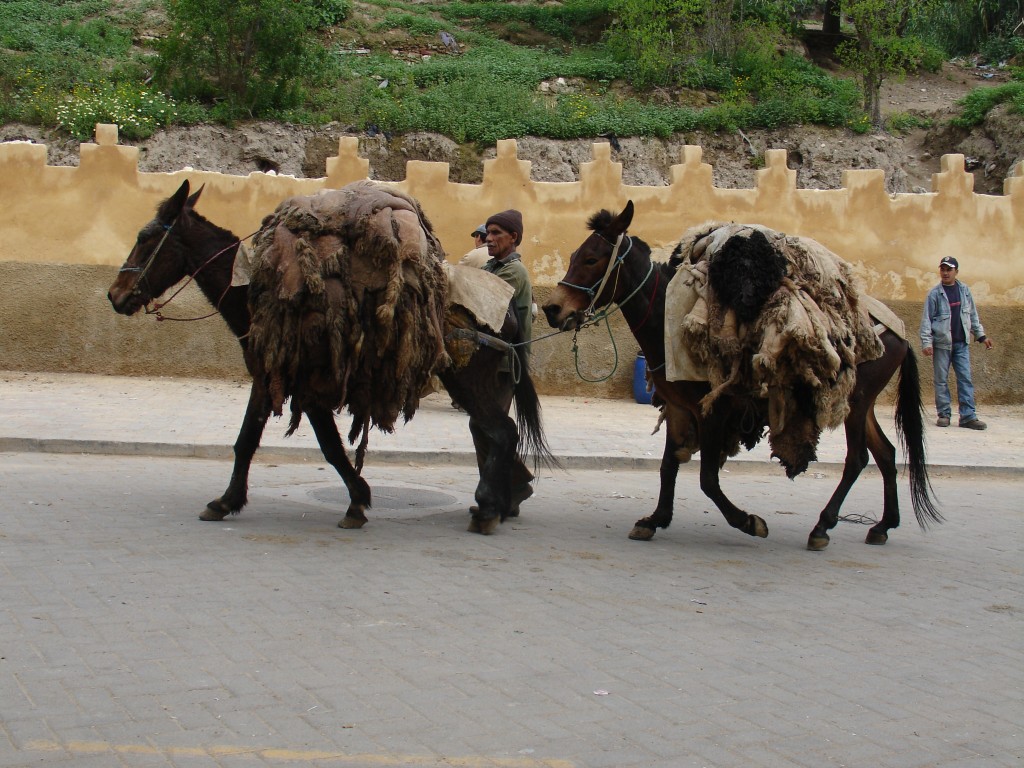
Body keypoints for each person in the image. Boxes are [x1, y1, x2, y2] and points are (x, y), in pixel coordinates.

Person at [919, 256, 994, 430]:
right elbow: (926, 321)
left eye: (949, 270)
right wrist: (926, 343)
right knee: (941, 380)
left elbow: (972, 316)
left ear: (956, 272)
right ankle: (944, 414)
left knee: (965, 379)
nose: (945, 273)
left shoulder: (965, 291)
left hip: (961, 344)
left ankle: (968, 417)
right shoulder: (934, 294)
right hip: (942, 345)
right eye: (943, 269)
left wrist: (982, 336)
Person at [482, 209, 533, 359]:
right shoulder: (491, 266)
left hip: (507, 361)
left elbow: (481, 304)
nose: (488, 238)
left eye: (496, 233)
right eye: (488, 232)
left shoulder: (514, 270)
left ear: (513, 237)